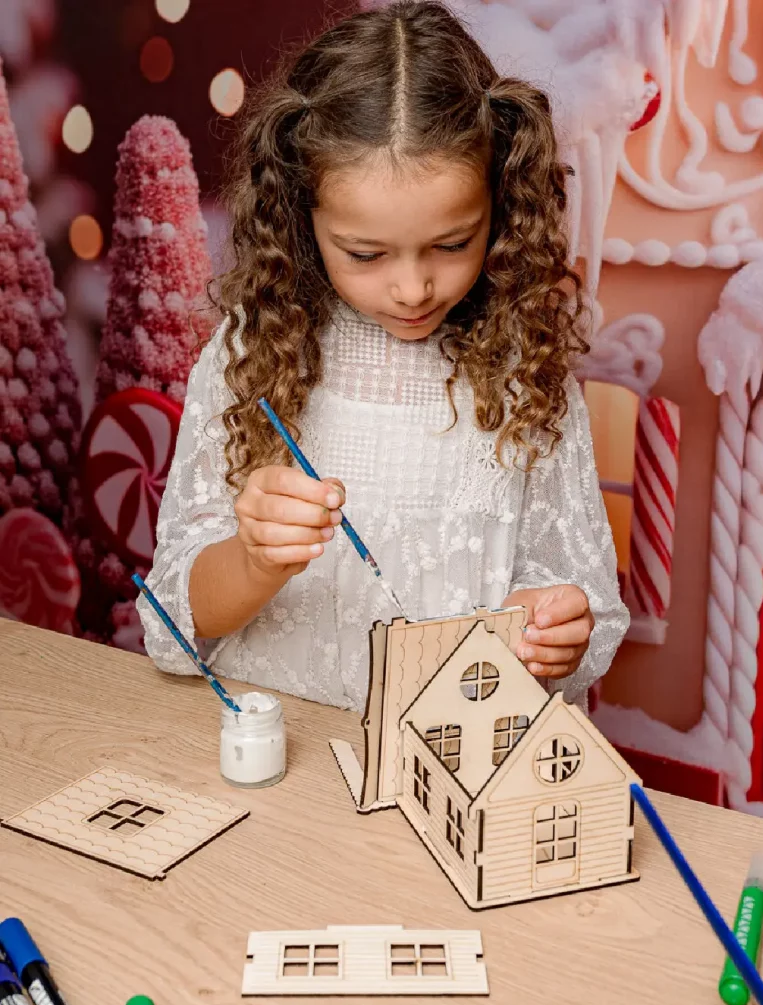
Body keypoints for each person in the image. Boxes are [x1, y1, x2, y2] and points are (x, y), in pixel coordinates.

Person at [137, 0, 629, 714]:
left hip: (446, 751)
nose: (412, 288)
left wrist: (553, 627)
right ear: (301, 218)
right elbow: (170, 622)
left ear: (499, 205)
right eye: (366, 254)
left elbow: (579, 597)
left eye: (452, 244)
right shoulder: (251, 354)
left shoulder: (524, 373)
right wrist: (252, 562)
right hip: (280, 746)